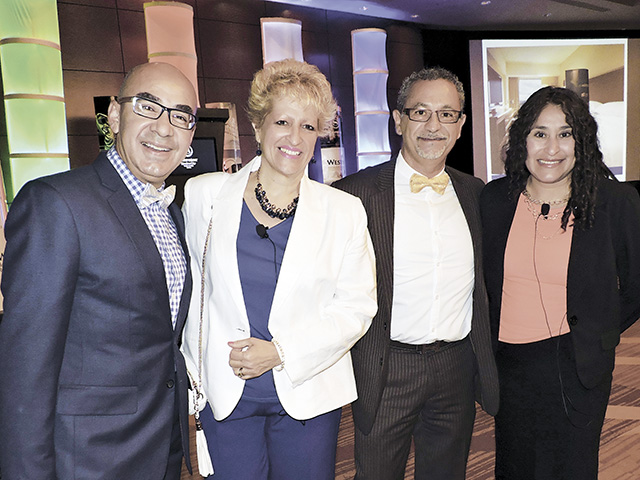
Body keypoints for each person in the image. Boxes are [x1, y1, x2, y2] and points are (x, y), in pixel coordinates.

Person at [181, 58, 377, 479]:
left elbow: (356, 308)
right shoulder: (204, 196)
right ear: (258, 127)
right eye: (283, 122)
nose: (295, 138)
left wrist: (280, 352)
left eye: (308, 126)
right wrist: (194, 373)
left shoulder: (344, 211)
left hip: (308, 391)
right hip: (227, 393)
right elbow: (189, 289)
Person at [0, 62, 197, 479]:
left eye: (181, 116)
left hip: (161, 445)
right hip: (88, 457)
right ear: (115, 115)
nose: (164, 129)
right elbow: (25, 369)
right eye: (148, 107)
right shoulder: (56, 203)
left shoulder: (170, 213)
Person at [333, 66, 499, 480]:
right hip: (387, 366)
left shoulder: (476, 192)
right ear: (398, 120)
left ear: (460, 124)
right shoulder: (354, 195)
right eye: (420, 112)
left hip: (456, 366)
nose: (433, 126)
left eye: (447, 114)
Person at [481, 86, 640, 479]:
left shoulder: (614, 202)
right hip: (509, 367)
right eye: (540, 133)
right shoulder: (494, 200)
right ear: (522, 140)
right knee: (514, 467)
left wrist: (596, 330)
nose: (551, 148)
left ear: (580, 142)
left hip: (578, 364)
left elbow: (635, 288)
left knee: (572, 468)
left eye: (565, 134)